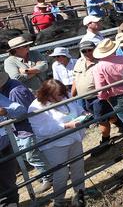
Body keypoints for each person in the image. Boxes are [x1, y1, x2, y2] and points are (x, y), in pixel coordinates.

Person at [28, 79, 87, 207]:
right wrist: (65, 126)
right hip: (54, 145)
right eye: (58, 95)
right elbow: (40, 131)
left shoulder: (65, 95)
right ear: (47, 95)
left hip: (74, 138)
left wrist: (83, 113)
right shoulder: (35, 107)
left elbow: (75, 106)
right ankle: (59, 201)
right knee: (61, 173)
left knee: (78, 166)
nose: (62, 97)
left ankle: (80, 195)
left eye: (63, 94)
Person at [0, 71, 52, 194]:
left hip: (26, 129)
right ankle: (49, 172)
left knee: (32, 155)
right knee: (28, 155)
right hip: (19, 129)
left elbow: (24, 113)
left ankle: (49, 177)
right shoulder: (10, 88)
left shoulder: (14, 91)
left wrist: (5, 112)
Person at [71, 41, 112, 157]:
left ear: (95, 49)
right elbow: (75, 78)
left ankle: (105, 141)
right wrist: (72, 95)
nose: (87, 52)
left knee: (102, 119)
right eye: (84, 51)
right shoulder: (79, 62)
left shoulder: (101, 61)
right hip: (83, 98)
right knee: (101, 117)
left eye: (90, 49)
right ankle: (120, 127)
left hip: (98, 97)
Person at [0, 92, 26, 206]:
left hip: (4, 147)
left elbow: (20, 110)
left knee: (9, 183)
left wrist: (5, 111)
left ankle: (12, 203)